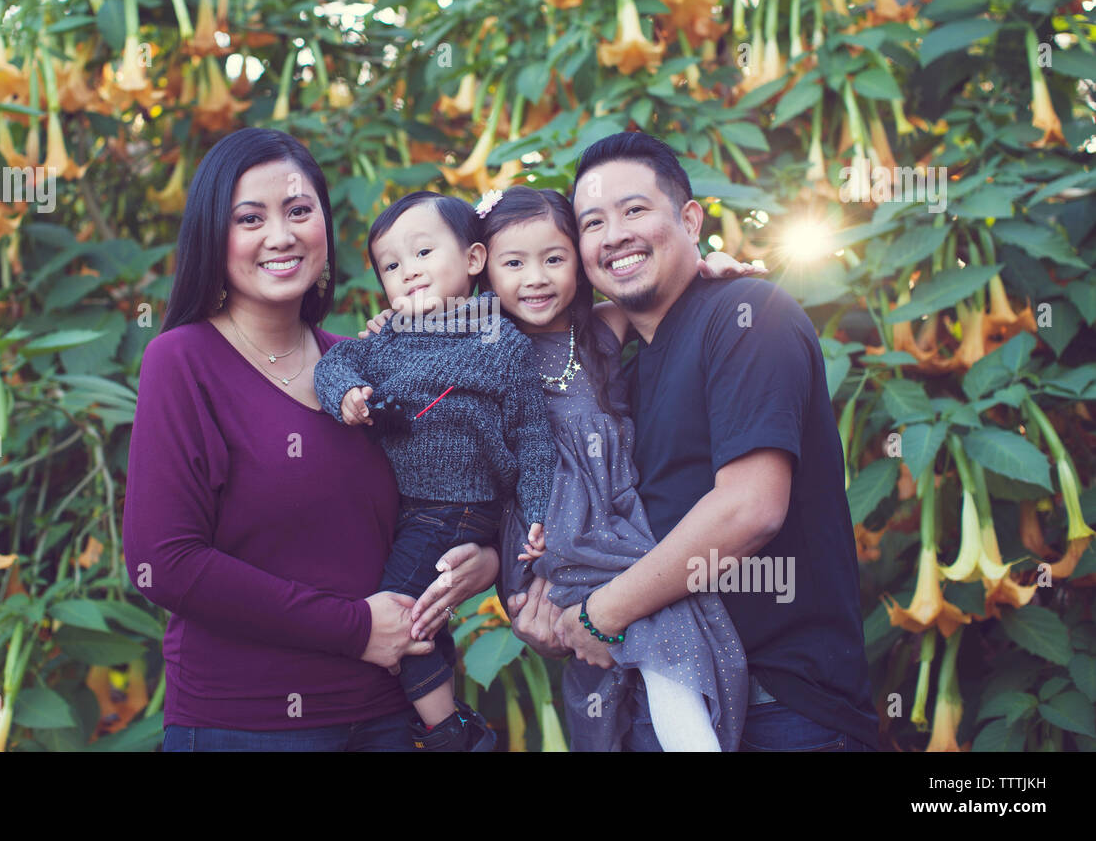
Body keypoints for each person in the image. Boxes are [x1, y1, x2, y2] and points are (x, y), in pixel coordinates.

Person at [122, 128, 500, 751]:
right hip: (248, 723)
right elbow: (163, 563)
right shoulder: (182, 361)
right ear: (214, 236)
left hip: (389, 716)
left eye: (300, 211)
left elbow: (454, 483)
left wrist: (480, 564)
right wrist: (354, 628)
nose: (281, 235)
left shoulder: (365, 365)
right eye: (251, 217)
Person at [511, 130, 880, 751]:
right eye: (592, 223)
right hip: (664, 703)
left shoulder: (748, 314)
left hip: (780, 710)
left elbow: (749, 509)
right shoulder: (618, 373)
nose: (615, 235)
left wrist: (600, 616)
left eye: (635, 210)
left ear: (689, 219)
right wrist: (543, 604)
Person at [480, 186, 748, 751]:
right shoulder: (485, 347)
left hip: (616, 518)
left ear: (579, 263)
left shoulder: (601, 328)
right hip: (550, 528)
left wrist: (712, 265)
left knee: (641, 630)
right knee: (651, 626)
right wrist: (389, 323)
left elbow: (674, 288)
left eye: (554, 259)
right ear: (483, 268)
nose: (535, 277)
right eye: (513, 263)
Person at [313, 191, 556, 751]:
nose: (409, 271)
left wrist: (537, 510)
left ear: (473, 261)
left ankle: (449, 731)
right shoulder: (388, 339)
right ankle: (450, 722)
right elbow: (337, 361)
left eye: (423, 252)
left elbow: (532, 437)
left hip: (459, 508)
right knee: (420, 613)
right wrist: (344, 394)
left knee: (402, 615)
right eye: (392, 266)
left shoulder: (499, 342)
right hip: (407, 509)